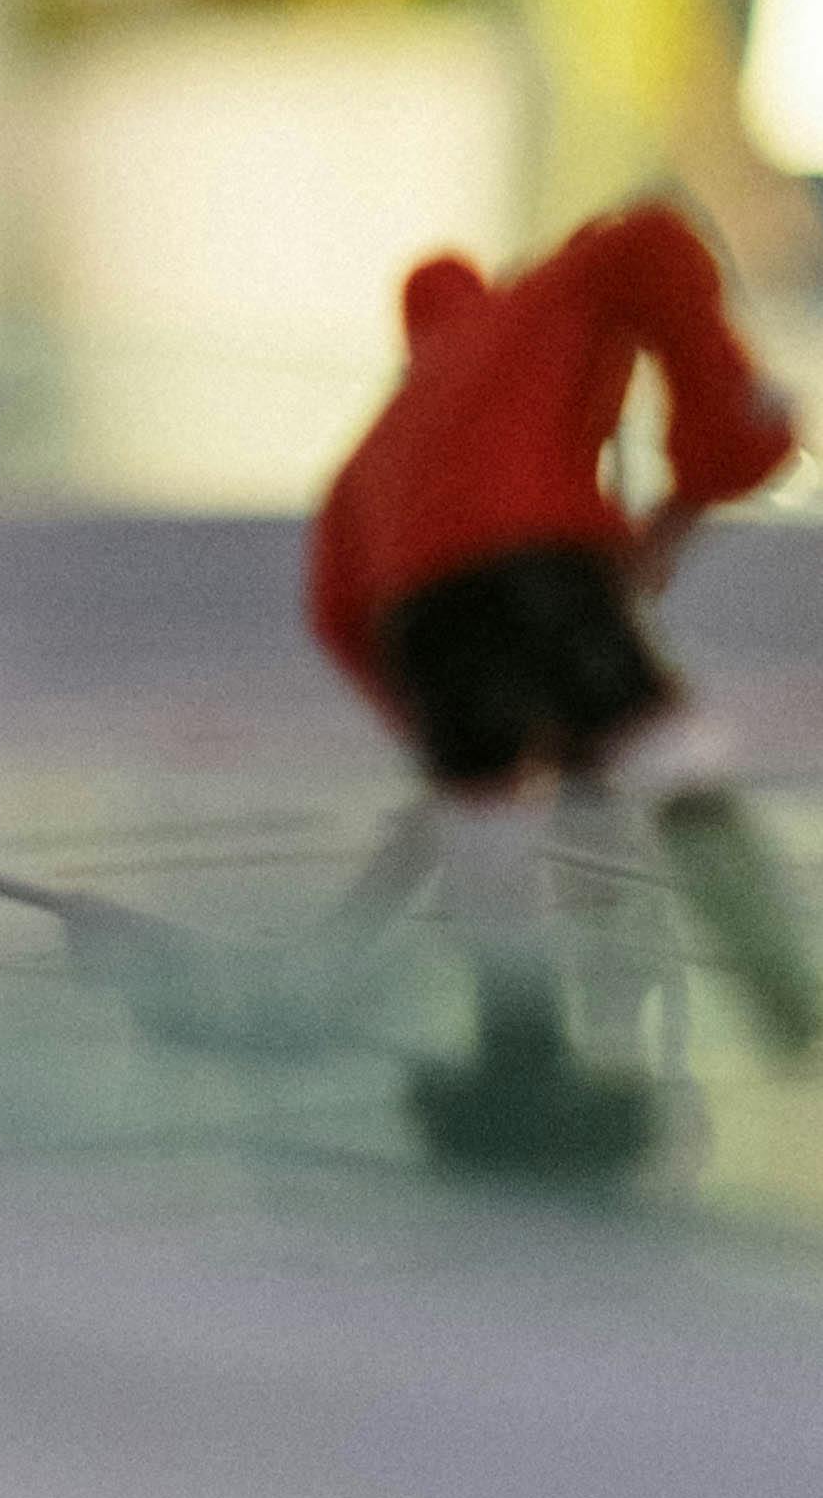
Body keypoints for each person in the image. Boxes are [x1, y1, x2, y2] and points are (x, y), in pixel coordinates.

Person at [307, 204, 814, 1169]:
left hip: (424, 618)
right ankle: (778, 971)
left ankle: (514, 1053)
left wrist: (436, 730)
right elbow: (658, 247)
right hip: (539, 557)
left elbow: (336, 611)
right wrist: (709, 464)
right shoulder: (559, 288)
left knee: (485, 823)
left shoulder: (385, 433)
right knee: (650, 737)